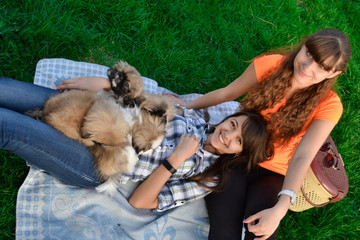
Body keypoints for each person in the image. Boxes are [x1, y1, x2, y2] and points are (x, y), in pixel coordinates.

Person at [164, 28, 352, 239]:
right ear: (303, 46)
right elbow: (229, 92)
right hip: (238, 153)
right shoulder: (272, 65)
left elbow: (303, 155)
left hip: (273, 174)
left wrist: (281, 208)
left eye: (322, 66)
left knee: (262, 234)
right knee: (225, 232)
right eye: (309, 54)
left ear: (334, 73)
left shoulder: (329, 105)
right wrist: (188, 105)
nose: (308, 68)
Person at [0, 78, 271, 212]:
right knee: (7, 89)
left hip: (94, 161)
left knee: (8, 126)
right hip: (94, 112)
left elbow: (140, 201)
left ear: (240, 154)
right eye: (233, 125)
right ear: (230, 117)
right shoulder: (197, 119)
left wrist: (175, 159)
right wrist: (105, 85)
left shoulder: (207, 178)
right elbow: (143, 102)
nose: (228, 135)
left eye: (238, 142)